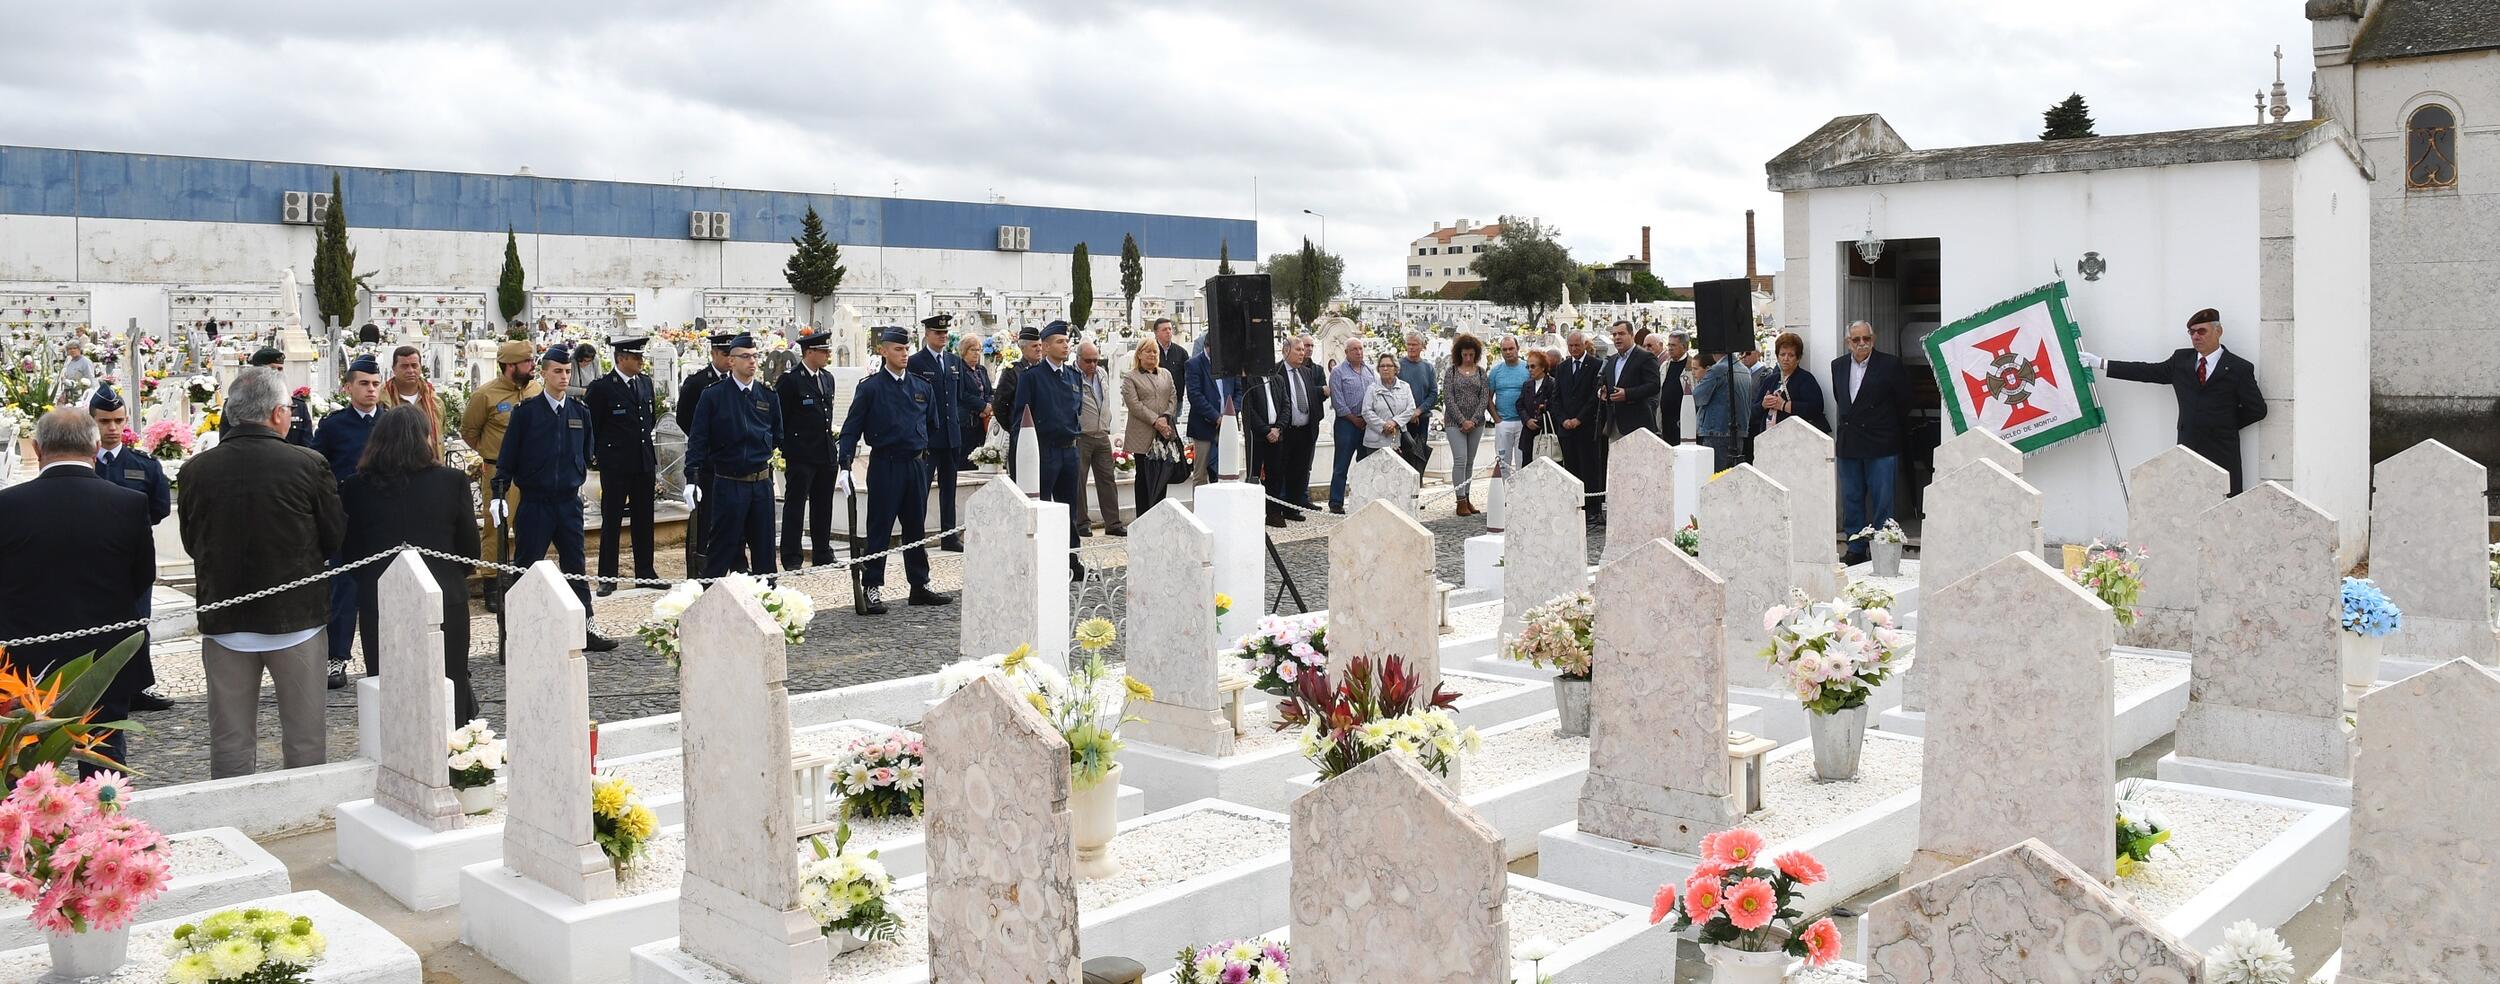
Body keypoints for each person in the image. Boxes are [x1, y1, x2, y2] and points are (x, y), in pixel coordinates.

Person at [179, 368, 341, 778]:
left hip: (226, 618)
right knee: (304, 738)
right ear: (276, 414)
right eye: (288, 409)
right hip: (296, 620)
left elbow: (191, 540)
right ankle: (305, 818)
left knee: (230, 741)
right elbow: (334, 536)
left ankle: (232, 830)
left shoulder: (197, 470)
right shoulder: (308, 464)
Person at [0, 409, 155, 770]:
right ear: (96, 446)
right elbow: (142, 577)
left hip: (25, 657)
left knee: (23, 762)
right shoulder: (128, 503)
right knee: (103, 751)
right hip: (104, 653)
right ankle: (105, 823)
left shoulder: (6, 506)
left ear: (37, 449)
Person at [342, 406, 482, 722]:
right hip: (445, 594)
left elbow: (351, 553)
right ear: (424, 439)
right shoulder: (451, 481)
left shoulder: (355, 487)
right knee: (451, 679)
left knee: (388, 683)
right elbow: (469, 550)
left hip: (380, 597)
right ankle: (457, 748)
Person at [499, 345, 619, 651]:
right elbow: (508, 458)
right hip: (536, 502)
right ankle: (515, 630)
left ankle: (585, 626)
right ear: (544, 373)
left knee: (576, 567)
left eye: (567, 371)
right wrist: (498, 493)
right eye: (557, 371)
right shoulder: (526, 414)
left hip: (568, 502)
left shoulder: (580, 412)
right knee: (526, 567)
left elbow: (586, 451)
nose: (564, 377)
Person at [2083, 308, 2268, 495]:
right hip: (2188, 448)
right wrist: (2101, 363)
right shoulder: (2181, 360)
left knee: (2223, 505)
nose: (2196, 336)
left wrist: (2224, 425)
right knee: (2186, 502)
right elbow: (2147, 371)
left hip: (2222, 451)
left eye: (2201, 331)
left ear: (2218, 331)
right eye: (2192, 332)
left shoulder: (2238, 367)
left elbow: (2257, 409)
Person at [838, 327, 954, 614]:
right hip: (886, 464)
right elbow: (851, 430)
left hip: (915, 464)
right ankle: (872, 585)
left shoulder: (920, 387)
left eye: (906, 349)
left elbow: (932, 424)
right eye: (898, 349)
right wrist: (845, 465)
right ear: (883, 351)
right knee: (880, 528)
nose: (904, 354)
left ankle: (919, 584)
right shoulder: (870, 388)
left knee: (916, 526)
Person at [311, 355, 384, 688]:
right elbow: (318, 468)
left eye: (375, 384)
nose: (371, 390)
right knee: (344, 589)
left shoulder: (390, 421)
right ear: (349, 387)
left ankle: (385, 655)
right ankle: (336, 657)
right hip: (346, 517)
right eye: (364, 384)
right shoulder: (334, 425)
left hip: (384, 516)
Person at [684, 334, 782, 577]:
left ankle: (766, 603)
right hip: (729, 482)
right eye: (745, 356)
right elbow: (698, 439)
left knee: (765, 552)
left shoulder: (767, 395)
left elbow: (777, 433)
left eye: (755, 356)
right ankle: (711, 603)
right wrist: (692, 478)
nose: (752, 361)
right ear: (732, 361)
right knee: (721, 548)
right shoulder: (714, 395)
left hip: (760, 483)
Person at [460, 340, 539, 608]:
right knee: (495, 527)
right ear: (510, 366)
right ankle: (492, 584)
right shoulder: (486, 395)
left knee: (529, 526)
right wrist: (491, 453)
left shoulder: (535, 389)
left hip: (531, 470)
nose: (532, 367)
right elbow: (469, 432)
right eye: (526, 363)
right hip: (498, 471)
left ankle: (524, 578)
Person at [1830, 320, 1914, 565]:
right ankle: (1855, 548)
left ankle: (1883, 548)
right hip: (1850, 442)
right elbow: (1841, 398)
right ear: (1848, 342)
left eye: (1866, 338)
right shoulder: (1838, 366)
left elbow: (1905, 401)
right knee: (1852, 498)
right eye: (1856, 340)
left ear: (1873, 339)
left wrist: (1883, 424)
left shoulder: (1889, 365)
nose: (1862, 344)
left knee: (1882, 499)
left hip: (1880, 441)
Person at [586, 335, 658, 596]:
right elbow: (592, 425)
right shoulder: (603, 388)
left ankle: (646, 572)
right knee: (612, 520)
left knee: (644, 519)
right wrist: (596, 458)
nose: (640, 361)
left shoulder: (645, 383)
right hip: (615, 465)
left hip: (642, 462)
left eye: (641, 356)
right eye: (635, 357)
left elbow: (648, 420)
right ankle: (608, 576)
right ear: (621, 358)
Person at [1011, 321, 1087, 544]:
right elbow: (1021, 418)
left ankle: (1072, 559)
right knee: (1042, 507)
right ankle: (1043, 555)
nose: (1065, 346)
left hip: (1070, 451)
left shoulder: (1074, 376)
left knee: (1069, 509)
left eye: (1066, 341)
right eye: (1059, 342)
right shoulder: (1032, 377)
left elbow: (1077, 410)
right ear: (1045, 346)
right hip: (1045, 451)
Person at [907, 315, 976, 550]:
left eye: (945, 333)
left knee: (950, 489)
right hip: (929, 437)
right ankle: (916, 537)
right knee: (921, 490)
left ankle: (949, 536)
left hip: (951, 435)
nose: (942, 336)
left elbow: (957, 398)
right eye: (938, 333)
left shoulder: (953, 361)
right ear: (927, 334)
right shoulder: (916, 362)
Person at [778, 329, 839, 569]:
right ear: (809, 352)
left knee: (823, 504)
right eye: (822, 351)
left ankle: (822, 551)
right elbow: (780, 417)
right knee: (795, 506)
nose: (826, 355)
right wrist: (787, 447)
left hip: (824, 452)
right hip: (801, 454)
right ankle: (792, 557)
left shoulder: (827, 378)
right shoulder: (791, 380)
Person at [676, 330, 736, 575]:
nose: (729, 359)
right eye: (724, 353)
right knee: (704, 518)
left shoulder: (737, 382)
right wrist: (704, 443)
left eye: (731, 354)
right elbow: (684, 419)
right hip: (708, 462)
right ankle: (698, 567)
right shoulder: (698, 382)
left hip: (731, 462)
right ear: (713, 354)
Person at [1260, 335, 1326, 521]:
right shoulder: (1276, 371)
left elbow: (1311, 398)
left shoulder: (1306, 372)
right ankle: (1275, 510)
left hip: (1305, 431)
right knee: (1278, 472)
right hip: (1284, 431)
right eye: (1298, 350)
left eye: (1303, 350)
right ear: (1286, 350)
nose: (1302, 353)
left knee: (1299, 471)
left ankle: (1293, 508)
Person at [1073, 341, 1125, 536]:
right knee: (1080, 480)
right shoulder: (1072, 376)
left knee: (1107, 480)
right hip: (1082, 434)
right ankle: (1082, 523)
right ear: (1078, 359)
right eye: (1088, 361)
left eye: (1096, 360)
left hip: (1102, 433)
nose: (1093, 365)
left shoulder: (1101, 374)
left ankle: (1113, 523)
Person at [1123, 341, 1181, 515]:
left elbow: (1173, 397)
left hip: (1163, 433)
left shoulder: (1166, 374)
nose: (1152, 355)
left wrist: (1165, 417)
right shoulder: (1131, 377)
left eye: (1155, 352)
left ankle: (1159, 512)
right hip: (1142, 433)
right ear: (1139, 354)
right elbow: (1134, 404)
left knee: (1162, 474)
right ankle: (1143, 514)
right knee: (1143, 475)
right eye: (1148, 351)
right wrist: (1156, 421)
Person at [1552, 330, 1606, 508]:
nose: (1574, 349)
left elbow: (1594, 396)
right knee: (1572, 468)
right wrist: (1563, 419)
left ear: (1584, 345)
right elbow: (1556, 397)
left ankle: (1592, 507)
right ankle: (1576, 505)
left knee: (1589, 468)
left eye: (1577, 345)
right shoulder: (1562, 367)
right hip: (1566, 428)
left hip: (1586, 427)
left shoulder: (1596, 365)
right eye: (1571, 346)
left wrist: (1579, 419)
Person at [1441, 334, 1493, 515]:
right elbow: (1448, 398)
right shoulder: (1452, 372)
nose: (1468, 358)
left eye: (1471, 354)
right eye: (1465, 355)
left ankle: (1467, 497)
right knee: (1460, 459)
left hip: (1476, 423)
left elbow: (1484, 397)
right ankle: (1460, 500)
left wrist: (1474, 419)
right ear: (1459, 354)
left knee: (1470, 462)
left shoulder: (1481, 372)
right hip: (1455, 423)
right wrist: (1463, 420)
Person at [228, 346, 313, 445]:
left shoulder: (298, 406)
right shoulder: (236, 403)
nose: (277, 374)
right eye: (272, 369)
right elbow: (227, 444)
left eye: (280, 369)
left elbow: (307, 445)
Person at [1324, 338, 1371, 514]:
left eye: (1360, 348)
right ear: (1346, 353)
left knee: (1364, 462)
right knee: (1341, 464)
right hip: (1346, 423)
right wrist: (1353, 419)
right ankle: (1336, 502)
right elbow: (1338, 400)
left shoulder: (1369, 371)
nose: (1359, 352)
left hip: (1366, 423)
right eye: (1354, 349)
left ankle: (1362, 496)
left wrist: (1367, 418)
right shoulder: (1338, 372)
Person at [991, 326, 1044, 480]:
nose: (1039, 349)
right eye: (1034, 346)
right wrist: (1014, 426)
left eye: (1040, 345)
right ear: (1022, 348)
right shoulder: (1013, 371)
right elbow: (999, 404)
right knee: (1022, 478)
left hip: (1043, 435)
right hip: (1021, 435)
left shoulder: (1044, 370)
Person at [1750, 332, 1827, 436]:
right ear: (1777, 357)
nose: (1786, 359)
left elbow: (1816, 408)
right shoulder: (1770, 380)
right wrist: (1763, 405)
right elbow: (1753, 412)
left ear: (1798, 358)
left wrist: (1784, 405)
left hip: (1796, 439)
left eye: (1791, 355)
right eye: (1782, 354)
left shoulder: (1805, 379)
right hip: (1769, 439)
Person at [1694, 350, 1759, 472]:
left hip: (1716, 432)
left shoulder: (1718, 370)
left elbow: (1697, 397)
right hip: (1739, 433)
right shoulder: (1744, 370)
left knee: (1713, 479)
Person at [1600, 320, 1663, 441]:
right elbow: (1605, 383)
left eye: (1621, 333)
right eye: (1614, 335)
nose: (1617, 338)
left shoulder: (1645, 357)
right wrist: (1602, 391)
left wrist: (1627, 394)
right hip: (1614, 424)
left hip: (1637, 424)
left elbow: (1654, 385)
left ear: (1631, 335)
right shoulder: (1612, 360)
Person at [1184, 336, 1234, 484]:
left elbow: (1238, 391)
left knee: (1226, 471)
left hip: (1227, 425)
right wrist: (1216, 417)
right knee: (1201, 473)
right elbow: (1195, 395)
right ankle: (1201, 507)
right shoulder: (1194, 364)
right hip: (1204, 427)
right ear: (1208, 346)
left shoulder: (1229, 363)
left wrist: (1229, 416)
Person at [1361, 352, 1421, 462]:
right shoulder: (1372, 389)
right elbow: (1366, 411)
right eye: (1382, 366)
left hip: (1398, 440)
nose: (1385, 369)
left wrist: (1395, 422)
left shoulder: (1404, 387)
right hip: (1376, 441)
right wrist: (1383, 425)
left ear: (1395, 368)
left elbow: (1411, 408)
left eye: (1388, 366)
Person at [1487, 335, 1530, 478]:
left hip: (1523, 422)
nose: (1508, 352)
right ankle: (1504, 496)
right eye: (1504, 349)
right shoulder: (1495, 371)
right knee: (1503, 463)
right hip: (1503, 422)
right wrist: (1497, 419)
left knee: (1522, 463)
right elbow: (1488, 396)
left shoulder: (1527, 368)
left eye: (1511, 348)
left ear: (1518, 349)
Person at [384, 344, 444, 437]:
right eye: (404, 366)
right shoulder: (383, 400)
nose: (410, 370)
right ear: (394, 369)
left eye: (414, 365)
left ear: (420, 368)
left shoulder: (434, 401)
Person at [1396, 331, 1439, 454]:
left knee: (1419, 456)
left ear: (1421, 346)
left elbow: (1433, 394)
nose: (1411, 347)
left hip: (1422, 419)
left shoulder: (1428, 368)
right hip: (1402, 419)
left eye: (1414, 344)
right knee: (1403, 455)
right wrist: (1408, 414)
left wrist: (1418, 411)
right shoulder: (1398, 366)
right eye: (1408, 344)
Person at [1516, 349, 1558, 468]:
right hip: (1528, 435)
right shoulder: (1527, 385)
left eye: (1533, 366)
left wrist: (1540, 417)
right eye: (1528, 367)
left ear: (1543, 367)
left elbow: (1554, 406)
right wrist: (1527, 420)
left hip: (1545, 433)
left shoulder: (1552, 384)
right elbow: (1520, 404)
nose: (1530, 370)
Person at [1151, 318, 1190, 427]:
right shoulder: (1151, 352)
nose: (1168, 332)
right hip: (1154, 400)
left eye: (1169, 329)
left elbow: (1187, 377)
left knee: (1172, 429)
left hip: (1176, 401)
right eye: (1164, 329)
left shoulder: (1181, 352)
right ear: (1156, 333)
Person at [53, 341, 95, 405]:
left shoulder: (86, 362)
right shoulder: (68, 360)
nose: (72, 350)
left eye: (74, 348)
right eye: (70, 349)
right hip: (69, 393)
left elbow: (90, 380)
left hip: (81, 394)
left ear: (79, 349)